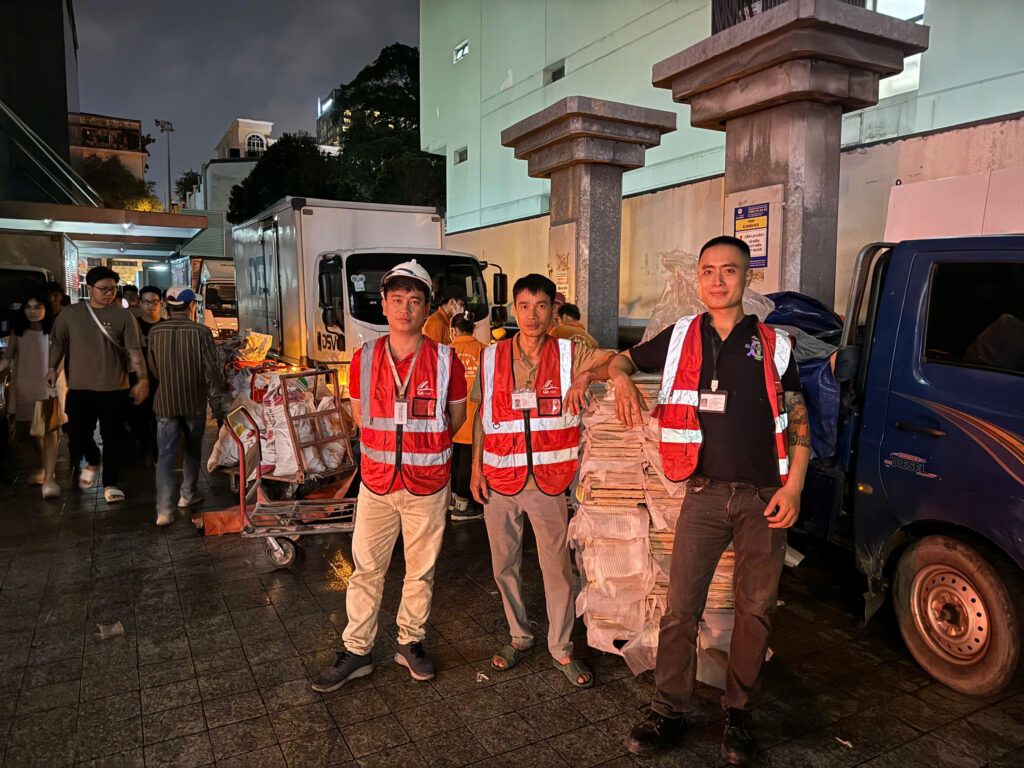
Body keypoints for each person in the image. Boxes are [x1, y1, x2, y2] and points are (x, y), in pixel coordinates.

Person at [610, 236, 810, 766]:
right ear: (697, 279)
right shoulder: (679, 337)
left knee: (755, 610)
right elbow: (620, 361)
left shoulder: (774, 344)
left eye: (729, 271)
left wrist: (794, 487)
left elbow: (798, 418)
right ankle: (668, 708)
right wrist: (622, 383)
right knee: (680, 610)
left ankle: (738, 713)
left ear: (747, 278)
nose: (717, 281)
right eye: (707, 272)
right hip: (702, 495)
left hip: (766, 498)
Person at [312, 260, 467, 692]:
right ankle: (357, 650)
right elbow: (363, 420)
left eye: (414, 300)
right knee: (366, 570)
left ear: (426, 308)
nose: (405, 308)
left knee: (421, 571)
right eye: (396, 300)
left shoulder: (445, 360)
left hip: (428, 484)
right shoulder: (363, 359)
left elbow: (455, 418)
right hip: (377, 484)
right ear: (383, 305)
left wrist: (420, 452)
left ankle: (409, 642)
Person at [470, 273, 613, 689]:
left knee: (556, 569)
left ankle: (562, 647)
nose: (532, 315)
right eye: (524, 306)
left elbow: (614, 361)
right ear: (514, 310)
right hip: (499, 481)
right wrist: (476, 468)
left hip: (550, 481)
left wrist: (591, 377)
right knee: (504, 566)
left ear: (554, 310)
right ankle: (519, 635)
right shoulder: (491, 356)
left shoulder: (570, 353)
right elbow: (482, 417)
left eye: (541, 306)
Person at [48, 266, 148, 503]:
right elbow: (58, 344)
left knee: (113, 437)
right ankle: (93, 459)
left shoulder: (124, 316)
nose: (109, 294)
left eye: (113, 289)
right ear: (89, 288)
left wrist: (142, 379)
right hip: (80, 388)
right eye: (103, 289)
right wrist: (51, 368)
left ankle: (111, 483)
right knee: (77, 432)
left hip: (115, 387)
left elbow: (135, 351)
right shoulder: (70, 315)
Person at [146, 286, 230, 526]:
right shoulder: (201, 331)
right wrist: (219, 396)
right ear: (192, 305)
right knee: (193, 448)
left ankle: (163, 509)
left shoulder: (155, 331)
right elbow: (211, 370)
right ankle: (187, 495)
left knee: (165, 454)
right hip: (193, 400)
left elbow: (153, 368)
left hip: (165, 401)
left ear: (168, 306)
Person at [0, 289, 64, 498]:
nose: (33, 311)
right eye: (29, 307)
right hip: (24, 388)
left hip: (47, 387)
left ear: (46, 308)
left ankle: (49, 479)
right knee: (34, 431)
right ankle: (46, 469)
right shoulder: (18, 332)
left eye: (38, 307)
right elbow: (8, 358)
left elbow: (62, 357)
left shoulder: (54, 330)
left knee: (49, 431)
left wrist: (55, 375)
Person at [449, 311, 485, 521]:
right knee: (467, 460)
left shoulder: (447, 351)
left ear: (454, 330)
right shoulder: (483, 350)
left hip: (453, 413)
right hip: (474, 414)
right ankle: (463, 506)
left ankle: (454, 499)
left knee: (455, 459)